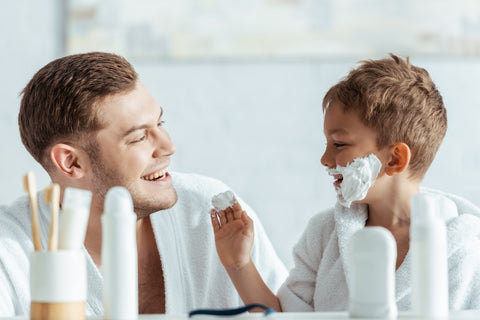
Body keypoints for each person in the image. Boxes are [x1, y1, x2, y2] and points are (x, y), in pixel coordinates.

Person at [0, 52, 288, 316]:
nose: (169, 146)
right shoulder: (10, 250)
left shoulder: (210, 210)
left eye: (160, 124)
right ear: (71, 163)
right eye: (138, 137)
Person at [211, 54, 480, 312]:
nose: (325, 159)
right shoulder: (323, 235)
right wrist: (239, 264)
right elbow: (287, 317)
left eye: (339, 144)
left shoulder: (464, 248)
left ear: (395, 159)